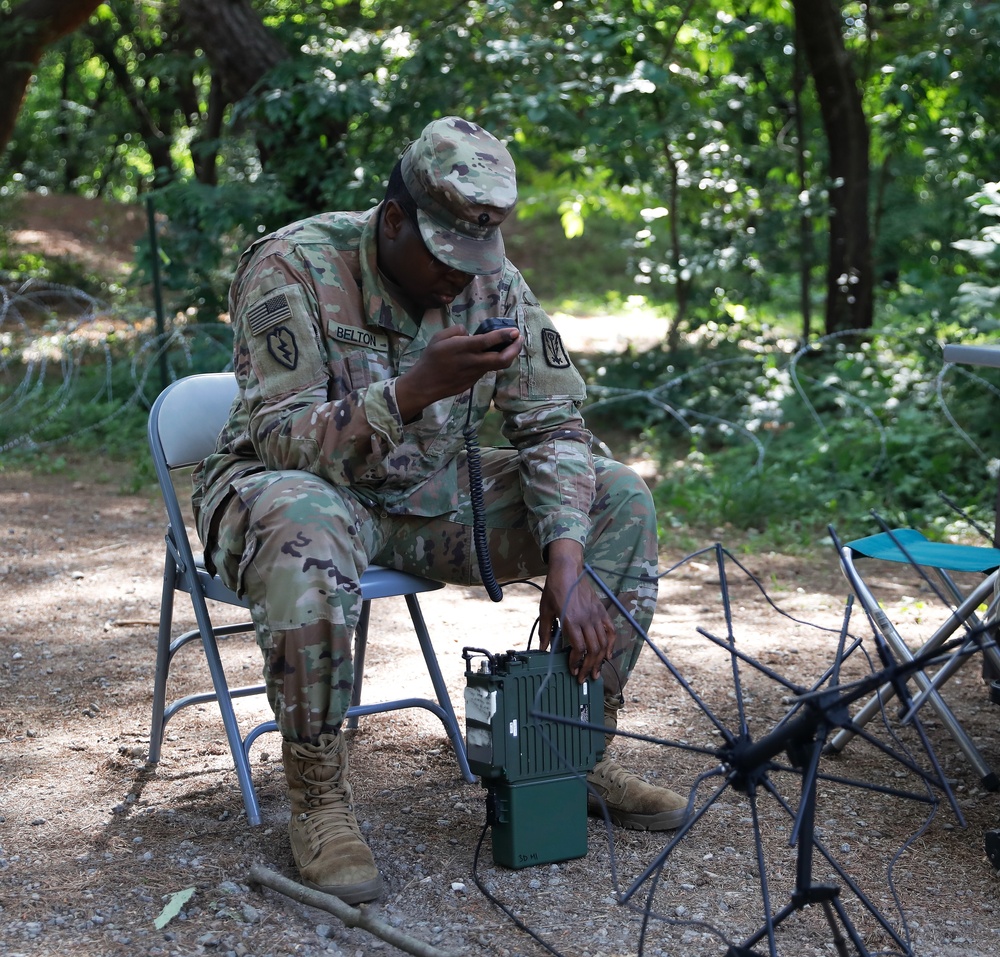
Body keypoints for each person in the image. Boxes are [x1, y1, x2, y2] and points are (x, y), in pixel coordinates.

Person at [192, 116, 688, 905]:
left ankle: (574, 744)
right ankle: (318, 795)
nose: (463, 278)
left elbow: (553, 424)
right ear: (393, 221)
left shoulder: (492, 283)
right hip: (292, 488)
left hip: (427, 494)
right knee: (308, 523)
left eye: (478, 255)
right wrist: (415, 388)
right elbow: (285, 439)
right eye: (446, 256)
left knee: (619, 494)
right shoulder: (293, 264)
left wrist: (567, 560)